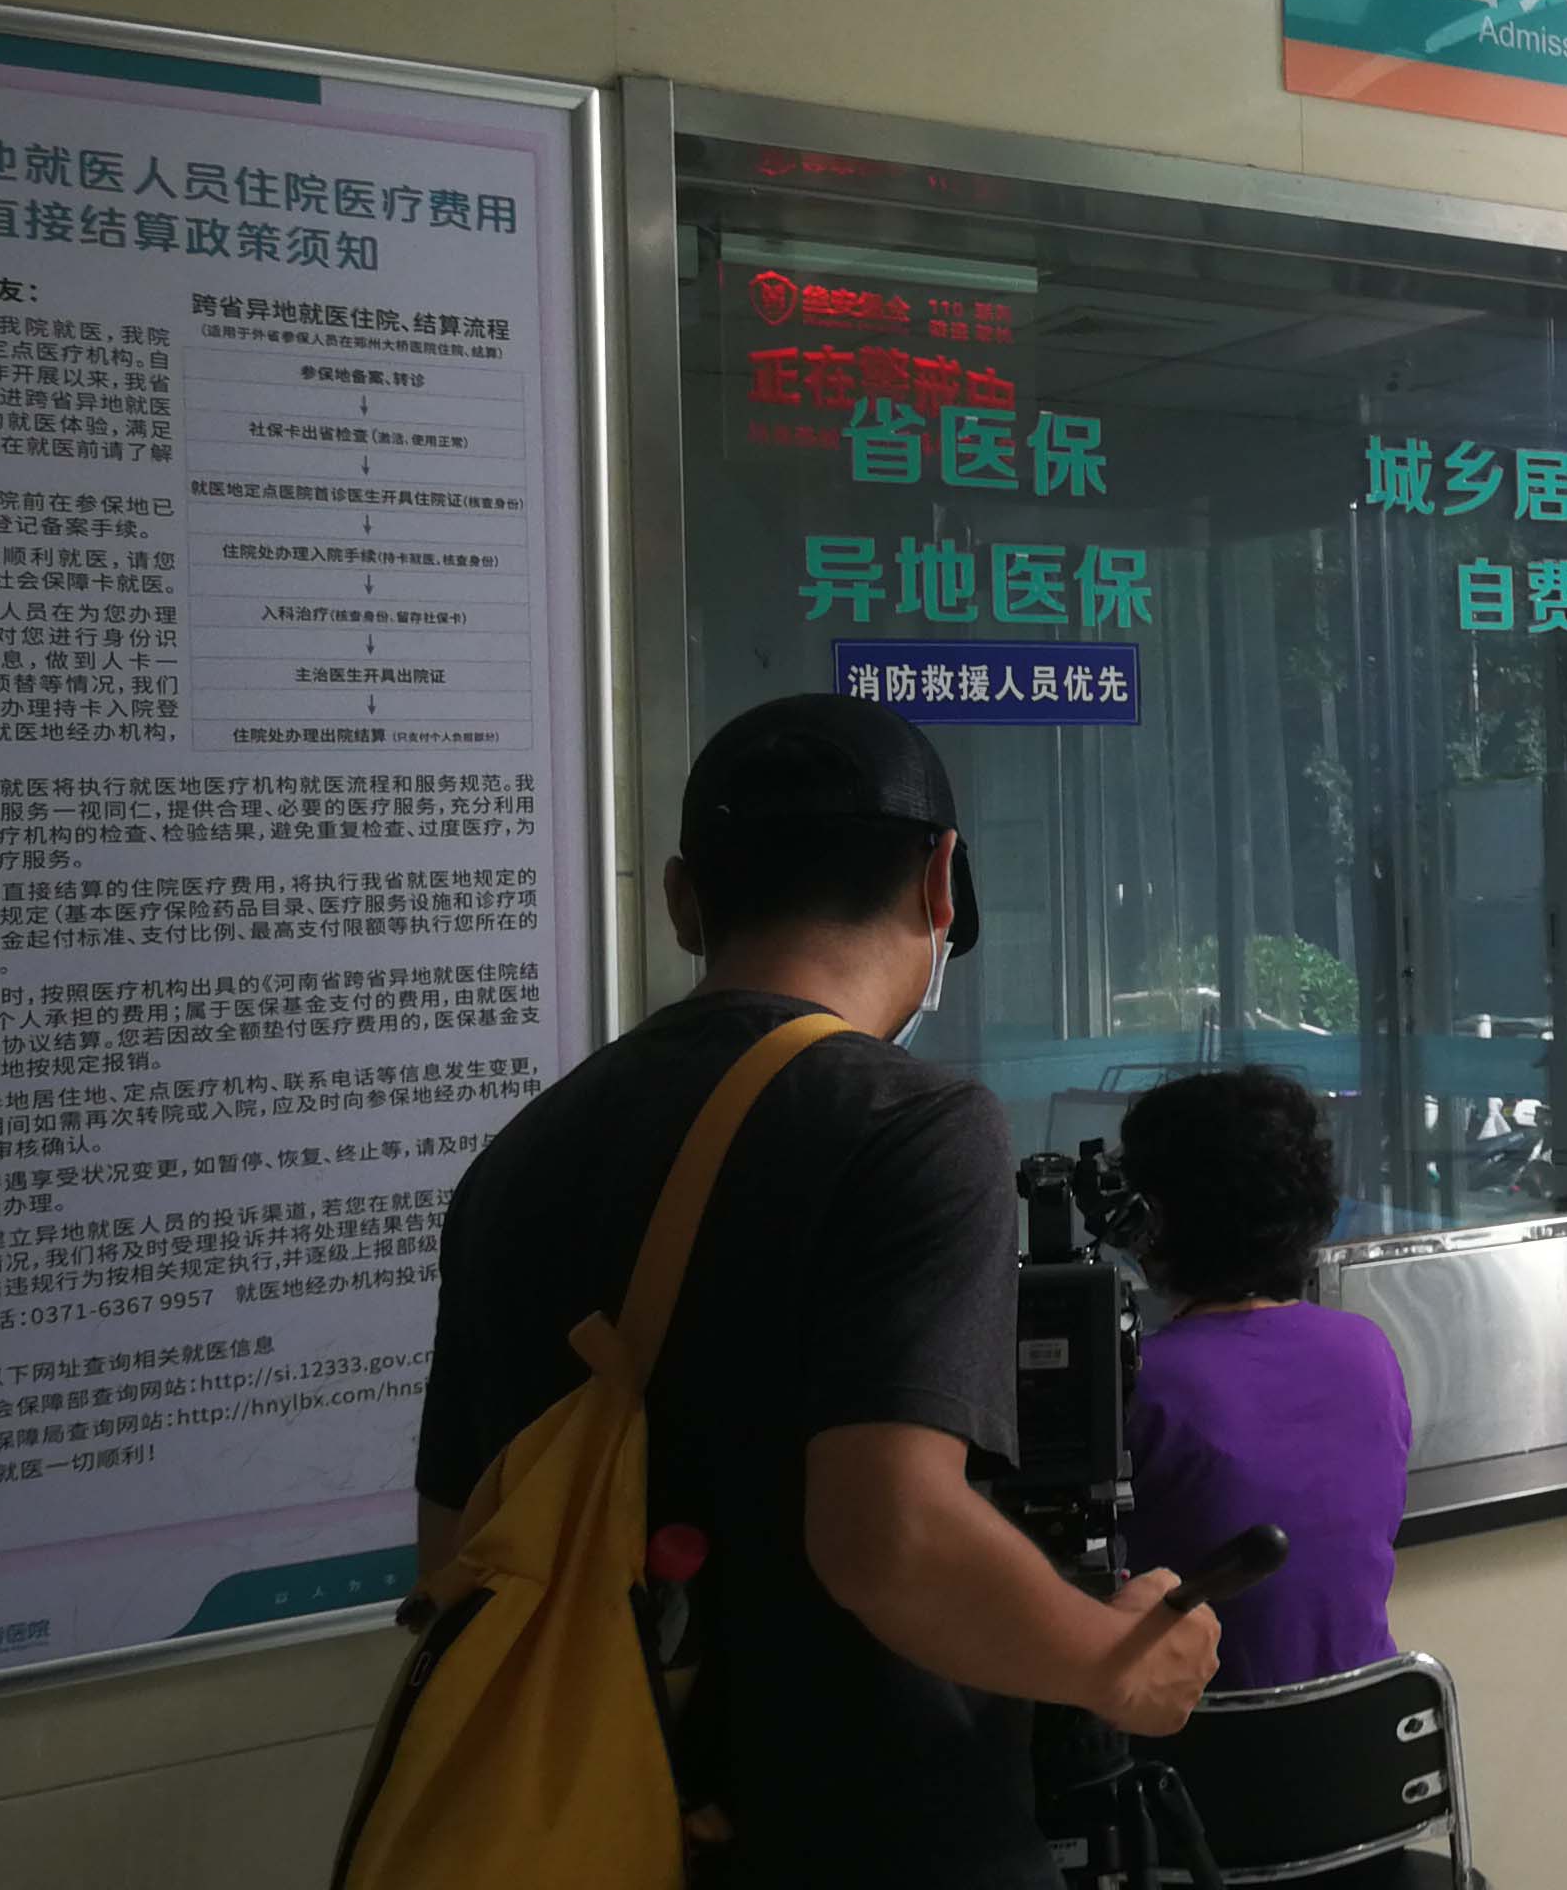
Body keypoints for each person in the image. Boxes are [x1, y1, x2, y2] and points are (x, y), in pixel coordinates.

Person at [414, 695, 1218, 1890]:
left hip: (592, 1826)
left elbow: (449, 1556)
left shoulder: (520, 1155)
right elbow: (888, 1537)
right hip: (874, 1834)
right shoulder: (911, 1120)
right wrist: (1113, 1657)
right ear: (941, 882)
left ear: (681, 898)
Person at [1118, 1067, 1415, 1691]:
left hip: (1197, 1736)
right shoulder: (1368, 1350)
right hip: (1364, 1724)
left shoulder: (1146, 1383)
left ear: (1153, 1220)